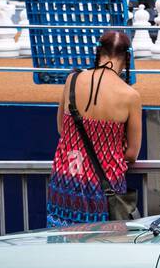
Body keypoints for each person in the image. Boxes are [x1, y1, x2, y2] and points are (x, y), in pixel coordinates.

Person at [45, 30, 142, 227]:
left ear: (99, 52)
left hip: (66, 180)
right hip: (104, 188)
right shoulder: (130, 96)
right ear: (127, 57)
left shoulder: (72, 80)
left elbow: (62, 130)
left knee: (60, 244)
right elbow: (132, 153)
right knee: (102, 245)